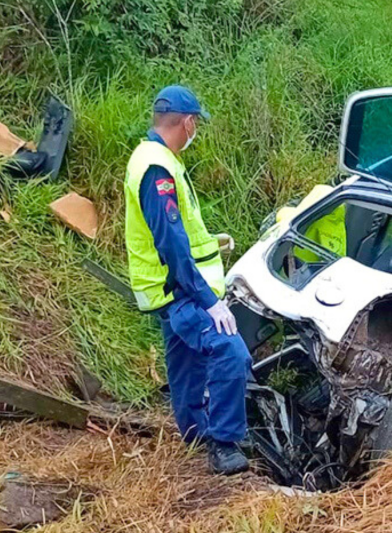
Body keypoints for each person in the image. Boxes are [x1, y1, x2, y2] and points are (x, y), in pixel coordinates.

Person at [124, 85, 251, 475]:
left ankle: (195, 434)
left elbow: (177, 232)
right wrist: (208, 301)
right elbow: (171, 240)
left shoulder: (150, 158)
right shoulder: (158, 168)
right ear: (188, 122)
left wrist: (213, 243)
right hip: (179, 290)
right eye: (196, 125)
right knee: (232, 353)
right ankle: (225, 446)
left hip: (165, 289)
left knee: (184, 362)